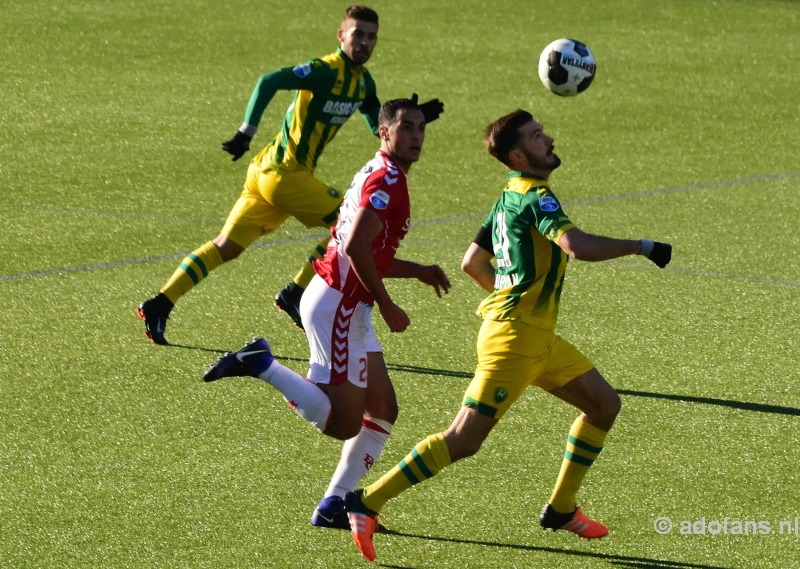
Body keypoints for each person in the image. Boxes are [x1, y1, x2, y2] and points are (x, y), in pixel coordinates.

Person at [344, 109, 673, 562]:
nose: (549, 139)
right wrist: (643, 246)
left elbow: (471, 263)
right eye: (539, 136)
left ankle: (560, 510)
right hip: (514, 341)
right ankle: (365, 503)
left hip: (536, 338)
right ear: (519, 154)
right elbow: (576, 247)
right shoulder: (535, 196)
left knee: (603, 405)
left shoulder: (508, 197)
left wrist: (511, 294)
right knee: (464, 439)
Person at [202, 97, 451, 531]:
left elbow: (368, 252)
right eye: (406, 127)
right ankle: (261, 363)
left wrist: (417, 272)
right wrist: (388, 303)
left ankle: (333, 505)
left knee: (384, 409)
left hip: (346, 303)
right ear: (384, 132)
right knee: (342, 424)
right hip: (339, 304)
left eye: (420, 128)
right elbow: (355, 248)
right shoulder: (387, 182)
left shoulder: (380, 171)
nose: (416, 136)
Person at [137, 5, 444, 344]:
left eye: (372, 37)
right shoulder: (324, 70)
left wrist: (415, 118)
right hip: (284, 174)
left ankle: (160, 302)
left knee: (227, 247)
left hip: (268, 174)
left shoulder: (363, 84)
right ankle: (295, 292)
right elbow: (268, 81)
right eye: (358, 34)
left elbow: (379, 128)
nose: (365, 43)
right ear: (341, 35)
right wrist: (246, 129)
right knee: (348, 222)